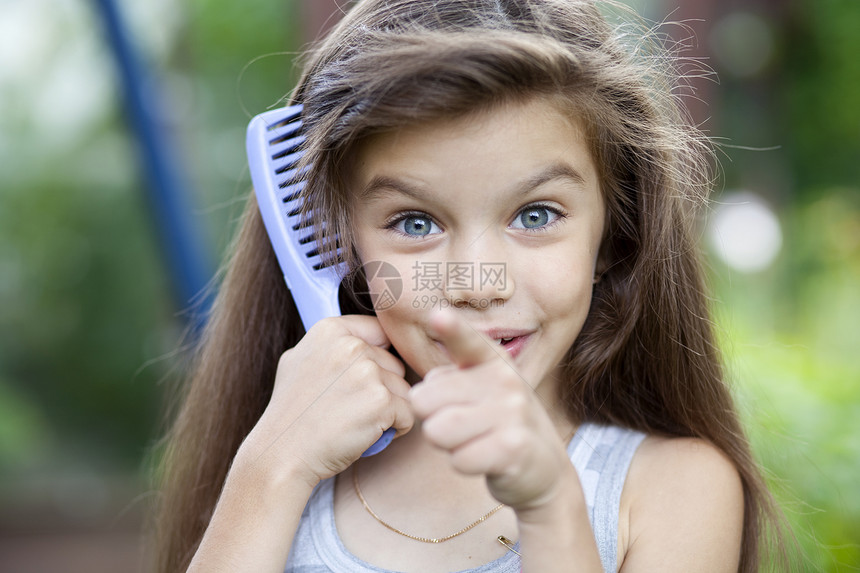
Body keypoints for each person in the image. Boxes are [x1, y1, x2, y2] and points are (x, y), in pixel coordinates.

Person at [153, 1, 791, 571]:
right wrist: (270, 469)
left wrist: (551, 510)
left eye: (535, 215)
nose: (474, 285)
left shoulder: (672, 490)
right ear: (339, 247)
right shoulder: (288, 471)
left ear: (614, 235)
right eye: (415, 222)